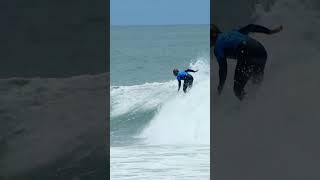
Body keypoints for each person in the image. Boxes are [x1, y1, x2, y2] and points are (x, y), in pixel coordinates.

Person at [211, 24, 283, 100]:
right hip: (261, 51)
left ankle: (252, 108)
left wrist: (220, 88)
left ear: (212, 36)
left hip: (247, 52)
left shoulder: (217, 46)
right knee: (255, 84)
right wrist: (269, 31)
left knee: (237, 90)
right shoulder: (234, 32)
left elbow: (223, 70)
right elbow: (251, 27)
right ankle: (267, 102)